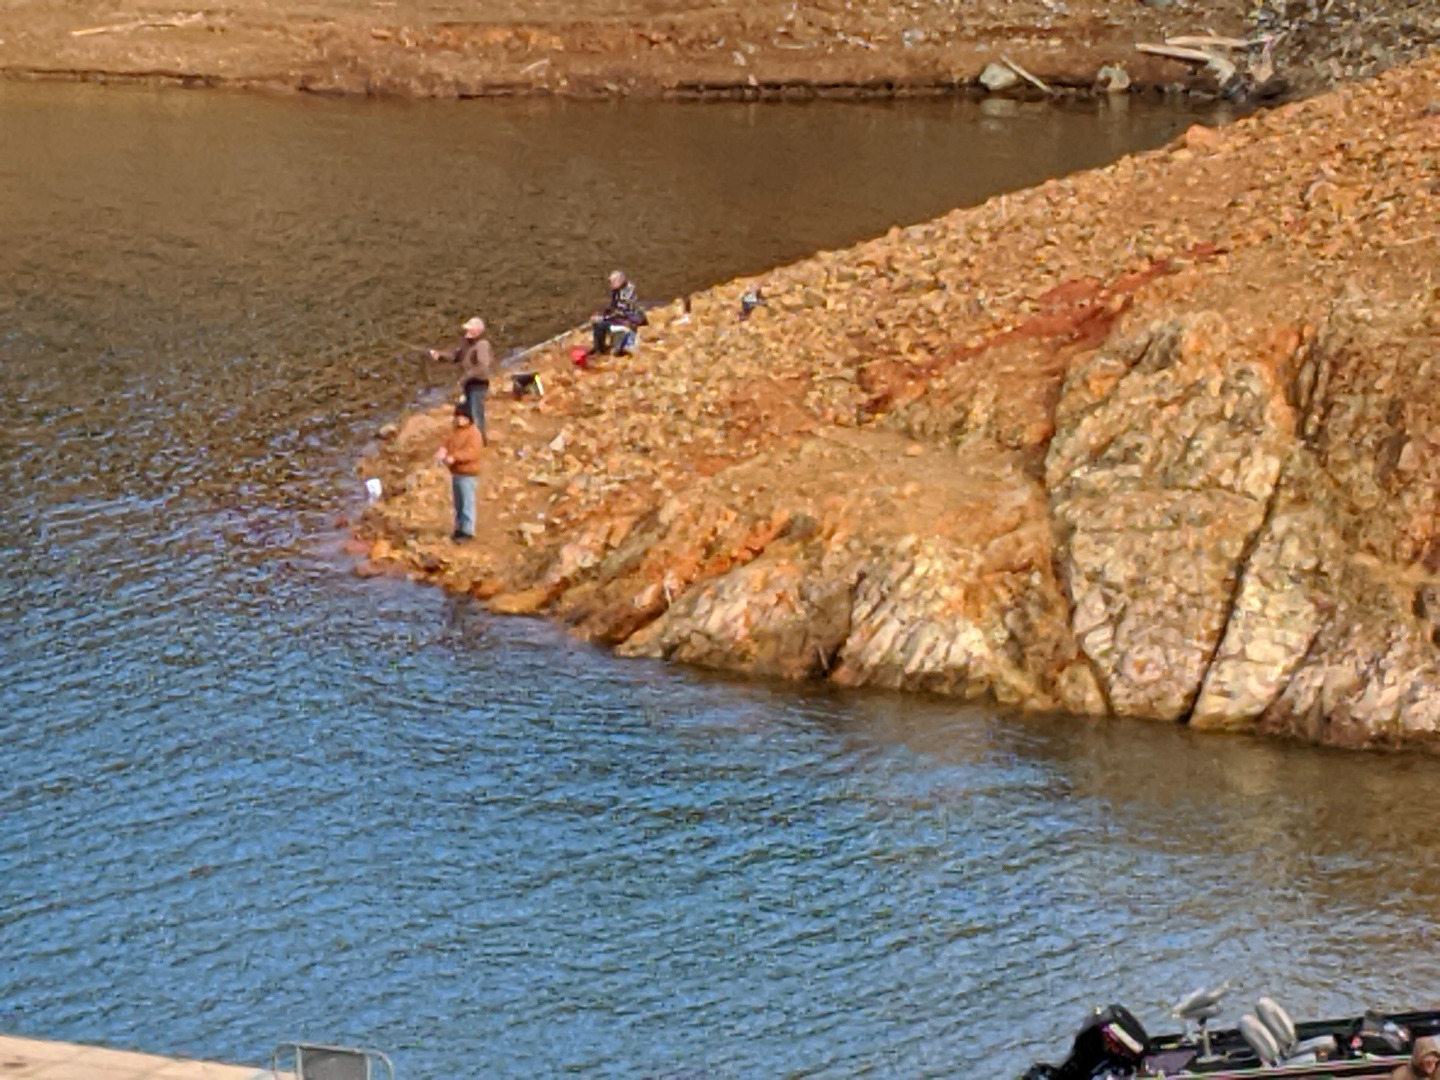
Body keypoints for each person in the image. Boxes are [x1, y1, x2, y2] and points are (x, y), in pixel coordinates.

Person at [430, 316, 496, 445]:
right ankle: (467, 440)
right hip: (468, 384)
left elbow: (483, 367)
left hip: (478, 384)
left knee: (476, 414)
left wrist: (465, 377)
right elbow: (456, 356)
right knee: (463, 413)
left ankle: (480, 443)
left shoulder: (482, 345)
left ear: (477, 332)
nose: (466, 332)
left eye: (469, 330)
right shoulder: (467, 343)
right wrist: (440, 356)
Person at [435, 404, 484, 541]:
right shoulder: (454, 432)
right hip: (456, 472)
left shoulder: (474, 433)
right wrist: (442, 451)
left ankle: (468, 530)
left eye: (462, 417)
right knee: (458, 503)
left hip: (468, 473)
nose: (459, 420)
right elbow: (446, 444)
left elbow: (473, 453)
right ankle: (459, 527)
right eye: (457, 417)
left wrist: (454, 457)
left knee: (467, 502)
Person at [590, 270, 646, 357]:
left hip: (630, 319)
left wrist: (604, 318)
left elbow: (621, 311)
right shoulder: (617, 291)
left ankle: (617, 347)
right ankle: (599, 349)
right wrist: (602, 314)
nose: (610, 284)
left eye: (612, 281)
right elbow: (612, 306)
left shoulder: (627, 293)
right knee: (597, 323)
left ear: (619, 281)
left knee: (602, 322)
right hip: (620, 317)